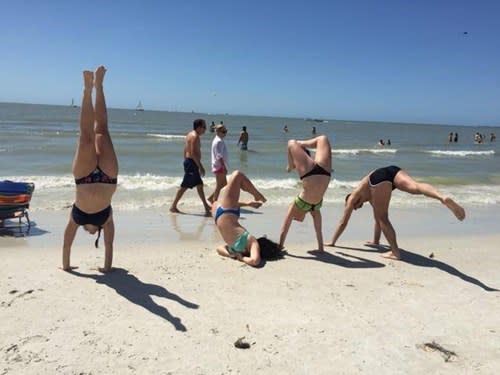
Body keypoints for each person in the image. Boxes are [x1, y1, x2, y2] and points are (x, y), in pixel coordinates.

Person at [325, 165, 466, 260]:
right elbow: (376, 218)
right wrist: (375, 242)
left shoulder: (353, 197)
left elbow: (343, 221)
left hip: (377, 179)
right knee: (415, 187)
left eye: (355, 207)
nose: (356, 208)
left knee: (383, 218)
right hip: (392, 171)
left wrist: (332, 242)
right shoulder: (367, 195)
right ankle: (441, 197)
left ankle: (395, 252)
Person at [62, 66, 118, 273]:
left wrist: (67, 267)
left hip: (96, 177)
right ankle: (96, 87)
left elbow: (67, 244)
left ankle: (91, 89)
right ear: (96, 232)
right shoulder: (104, 220)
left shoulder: (78, 218)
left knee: (90, 133)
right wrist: (105, 268)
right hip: (103, 177)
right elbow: (109, 246)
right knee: (96, 131)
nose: (90, 232)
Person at [213, 170, 281, 266]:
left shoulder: (252, 241)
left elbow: (255, 261)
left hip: (227, 214)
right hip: (220, 216)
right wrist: (235, 255)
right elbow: (219, 249)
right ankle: (249, 202)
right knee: (217, 202)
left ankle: (257, 195)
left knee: (237, 175)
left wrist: (242, 258)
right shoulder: (236, 249)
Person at [279, 135, 332, 252]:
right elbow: (318, 230)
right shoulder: (314, 210)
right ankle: (299, 146)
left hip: (312, 195)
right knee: (321, 138)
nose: (298, 219)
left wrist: (280, 246)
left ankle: (291, 164)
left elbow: (285, 227)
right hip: (323, 175)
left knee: (292, 141)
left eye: (297, 218)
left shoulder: (298, 205)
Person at [170, 119, 212, 215]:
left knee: (200, 185)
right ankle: (173, 206)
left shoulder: (189, 135)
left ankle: (206, 206)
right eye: (204, 127)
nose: (205, 130)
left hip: (189, 162)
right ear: (198, 127)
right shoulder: (195, 136)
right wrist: (200, 166)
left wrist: (185, 162)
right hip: (192, 163)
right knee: (184, 186)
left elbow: (185, 150)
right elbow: (193, 153)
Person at [208, 124, 229, 203]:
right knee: (219, 185)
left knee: (224, 183)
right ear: (218, 132)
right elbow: (219, 156)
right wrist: (223, 166)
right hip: (219, 166)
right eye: (224, 132)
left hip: (217, 165)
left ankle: (211, 198)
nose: (225, 133)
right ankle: (214, 201)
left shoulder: (217, 139)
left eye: (226, 131)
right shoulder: (219, 141)